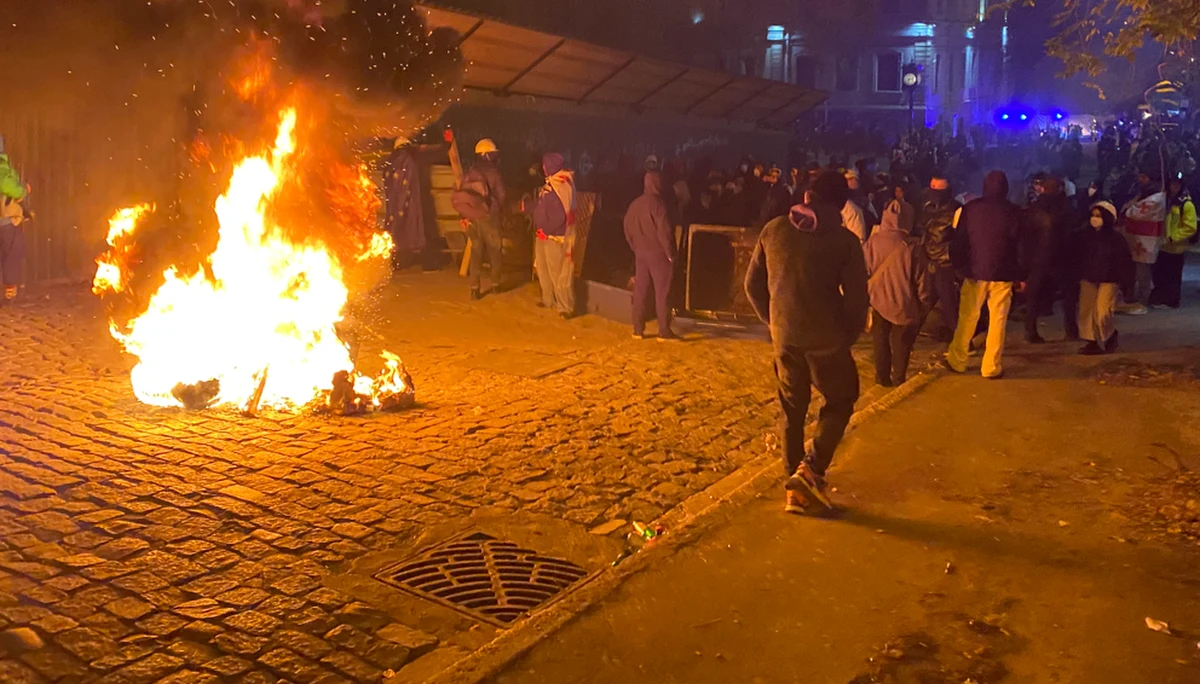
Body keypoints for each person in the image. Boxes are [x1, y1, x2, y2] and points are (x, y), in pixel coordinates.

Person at [745, 170, 868, 513]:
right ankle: (811, 469)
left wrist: (775, 322)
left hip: (784, 338)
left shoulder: (773, 229)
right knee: (841, 399)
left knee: (792, 409)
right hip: (827, 340)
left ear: (807, 196)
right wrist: (847, 335)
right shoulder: (845, 242)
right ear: (841, 205)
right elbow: (857, 300)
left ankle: (794, 483)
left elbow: (751, 286)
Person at [944, 170, 1024, 379]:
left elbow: (959, 242)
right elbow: (1020, 247)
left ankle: (957, 360)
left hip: (974, 272)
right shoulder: (1014, 212)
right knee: (998, 319)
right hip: (1003, 273)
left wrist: (959, 267)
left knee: (968, 317)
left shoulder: (970, 209)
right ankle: (991, 366)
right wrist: (1020, 275)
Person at [864, 200, 931, 387]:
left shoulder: (873, 241)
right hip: (904, 304)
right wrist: (924, 302)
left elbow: (864, 269)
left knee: (880, 341)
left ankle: (882, 377)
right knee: (901, 343)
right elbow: (922, 280)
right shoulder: (912, 247)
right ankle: (899, 378)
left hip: (878, 301)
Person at [1022, 174, 1077, 343]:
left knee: (1033, 295)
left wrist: (1025, 260)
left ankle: (1031, 330)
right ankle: (1071, 329)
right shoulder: (1066, 208)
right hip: (1062, 257)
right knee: (1069, 295)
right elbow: (1073, 234)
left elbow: (1025, 237)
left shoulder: (1033, 208)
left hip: (1038, 258)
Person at [624, 171, 677, 340]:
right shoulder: (659, 204)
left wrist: (636, 248)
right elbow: (665, 231)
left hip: (641, 254)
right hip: (659, 254)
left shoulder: (634, 204)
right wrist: (670, 253)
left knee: (640, 290)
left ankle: (637, 329)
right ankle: (664, 330)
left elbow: (627, 229)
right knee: (662, 292)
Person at [1076, 201, 1134, 355]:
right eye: (1093, 215)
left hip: (1109, 279)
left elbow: (1124, 262)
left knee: (1103, 312)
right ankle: (1091, 342)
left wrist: (1126, 284)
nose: (1094, 219)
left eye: (1099, 216)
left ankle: (1109, 336)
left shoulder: (1116, 239)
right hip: (1088, 278)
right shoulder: (1084, 236)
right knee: (1087, 312)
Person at [453, 139, 506, 300]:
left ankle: (474, 288)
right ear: (487, 155)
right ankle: (495, 284)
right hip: (489, 217)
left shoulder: (470, 172)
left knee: (476, 252)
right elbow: (502, 195)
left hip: (471, 218)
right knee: (495, 251)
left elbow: (463, 195)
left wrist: (464, 216)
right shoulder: (494, 173)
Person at [528, 153, 576, 318]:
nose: (542, 168)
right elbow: (542, 205)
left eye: (545, 165)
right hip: (543, 234)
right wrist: (528, 207)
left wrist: (546, 230)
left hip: (555, 236)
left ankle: (565, 307)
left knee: (558, 273)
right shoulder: (551, 183)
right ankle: (548, 299)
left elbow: (561, 216)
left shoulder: (562, 185)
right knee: (543, 269)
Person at [918, 177, 962, 341]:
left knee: (948, 303)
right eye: (932, 187)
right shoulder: (926, 207)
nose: (935, 191)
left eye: (939, 188)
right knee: (925, 300)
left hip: (945, 263)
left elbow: (960, 237)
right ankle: (906, 337)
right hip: (926, 260)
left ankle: (960, 341)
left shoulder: (957, 210)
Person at [1118, 171, 1165, 315]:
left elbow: (1135, 211)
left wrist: (1129, 209)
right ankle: (1131, 297)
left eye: (1143, 177)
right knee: (1133, 270)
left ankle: (1142, 300)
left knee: (1142, 271)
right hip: (1134, 237)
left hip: (1145, 240)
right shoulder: (1142, 193)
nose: (1140, 179)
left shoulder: (1156, 198)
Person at [1148, 175, 1196, 309]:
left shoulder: (1186, 204)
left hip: (1175, 248)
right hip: (1162, 246)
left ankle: (1171, 301)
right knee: (1160, 274)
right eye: (1172, 184)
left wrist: (1173, 237)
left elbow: (1190, 227)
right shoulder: (1166, 201)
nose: (1174, 187)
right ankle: (1160, 298)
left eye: (1177, 184)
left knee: (1172, 276)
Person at [0, 137, 28, 305]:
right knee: (11, 254)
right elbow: (7, 185)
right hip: (6, 221)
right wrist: (23, 190)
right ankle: (10, 293)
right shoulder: (1, 166)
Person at [842, 171, 869, 242]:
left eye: (854, 179)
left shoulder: (864, 201)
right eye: (849, 179)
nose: (853, 181)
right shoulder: (843, 204)